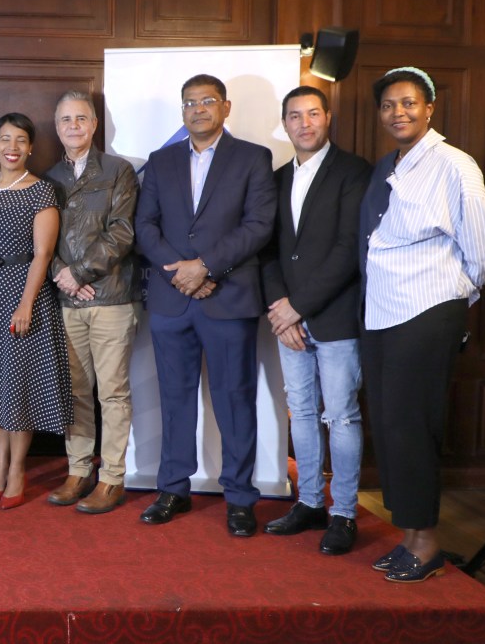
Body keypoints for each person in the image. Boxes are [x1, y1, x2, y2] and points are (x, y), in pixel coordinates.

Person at [360, 67, 485, 583]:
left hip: (427, 309)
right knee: (391, 426)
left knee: (413, 427)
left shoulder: (454, 163)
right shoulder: (388, 165)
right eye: (388, 105)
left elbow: (482, 246)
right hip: (382, 311)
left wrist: (453, 296)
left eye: (409, 103)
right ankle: (409, 535)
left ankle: (428, 544)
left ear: (430, 108)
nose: (398, 112)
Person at [134, 74, 275, 537]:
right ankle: (173, 488)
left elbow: (259, 225)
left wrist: (207, 267)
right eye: (189, 103)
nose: (197, 109)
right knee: (174, 399)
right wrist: (182, 273)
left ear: (225, 107)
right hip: (172, 299)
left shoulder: (253, 157)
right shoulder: (161, 161)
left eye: (207, 101)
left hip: (228, 298)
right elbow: (145, 225)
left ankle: (239, 498)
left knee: (235, 399)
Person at [259, 86, 371, 555]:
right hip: (288, 322)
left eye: (312, 114)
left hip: (336, 318)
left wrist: (297, 307)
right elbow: (267, 251)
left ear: (327, 118)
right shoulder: (277, 178)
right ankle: (309, 502)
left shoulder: (354, 171)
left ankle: (343, 512)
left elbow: (349, 249)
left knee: (341, 415)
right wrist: (280, 309)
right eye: (294, 116)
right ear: (284, 123)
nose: (304, 123)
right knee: (301, 412)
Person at [0, 112, 71, 510]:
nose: (12, 147)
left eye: (20, 140)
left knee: (18, 387)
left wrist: (25, 304)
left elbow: (43, 254)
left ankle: (17, 471)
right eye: (5, 139)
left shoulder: (41, 191)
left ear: (30, 148)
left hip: (26, 297)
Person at [45, 91, 138, 515]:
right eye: (66, 120)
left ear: (94, 124)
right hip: (67, 300)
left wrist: (79, 273)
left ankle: (112, 478)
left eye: (81, 118)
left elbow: (122, 231)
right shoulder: (48, 178)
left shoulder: (119, 171)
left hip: (111, 297)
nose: (73, 126)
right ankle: (78, 470)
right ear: (56, 127)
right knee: (76, 391)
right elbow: (41, 240)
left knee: (113, 393)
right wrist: (61, 274)